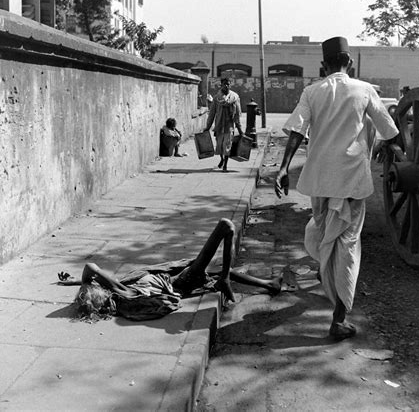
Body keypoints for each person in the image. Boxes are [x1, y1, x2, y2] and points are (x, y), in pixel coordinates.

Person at [274, 36, 399, 341]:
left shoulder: (312, 91)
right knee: (347, 246)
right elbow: (389, 131)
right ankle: (338, 319)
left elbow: (296, 131)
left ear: (323, 66)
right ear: (350, 64)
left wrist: (282, 168)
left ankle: (325, 275)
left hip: (319, 180)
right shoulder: (365, 89)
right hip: (351, 181)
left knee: (323, 228)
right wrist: (386, 147)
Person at [59, 218, 282, 321]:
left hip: (175, 278)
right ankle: (225, 279)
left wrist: (75, 282)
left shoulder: (120, 294)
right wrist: (85, 282)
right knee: (226, 227)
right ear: (101, 294)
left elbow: (97, 277)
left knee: (218, 272)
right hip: (182, 281)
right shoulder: (120, 292)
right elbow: (91, 268)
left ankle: (267, 285)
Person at [204, 77, 243, 172]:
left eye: (228, 84)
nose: (226, 85)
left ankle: (225, 165)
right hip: (219, 126)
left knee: (227, 146)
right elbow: (212, 114)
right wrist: (207, 127)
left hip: (229, 126)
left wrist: (240, 130)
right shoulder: (217, 98)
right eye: (224, 84)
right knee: (220, 146)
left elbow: (237, 115)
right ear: (221, 85)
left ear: (230, 85)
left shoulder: (235, 97)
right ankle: (222, 159)